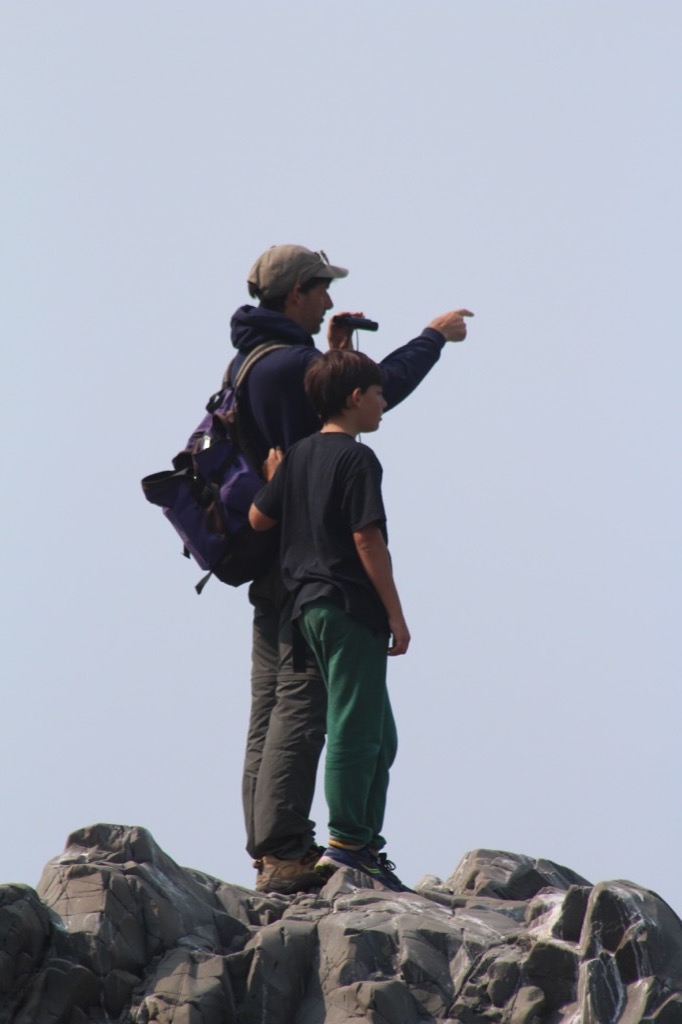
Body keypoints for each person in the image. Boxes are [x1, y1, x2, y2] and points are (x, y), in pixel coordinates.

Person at [230, 243, 472, 893]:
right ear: (295, 294)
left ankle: (273, 851)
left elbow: (262, 507)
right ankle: (318, 849)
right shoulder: (297, 372)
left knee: (270, 711)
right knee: (311, 714)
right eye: (321, 290)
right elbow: (372, 391)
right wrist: (432, 337)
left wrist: (332, 355)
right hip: (322, 582)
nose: (329, 301)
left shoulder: (249, 362)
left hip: (278, 571)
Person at [248, 349, 410, 892]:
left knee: (380, 734)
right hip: (348, 606)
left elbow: (257, 517)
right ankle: (348, 847)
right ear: (355, 397)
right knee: (355, 728)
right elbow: (367, 539)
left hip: (304, 610)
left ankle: (364, 843)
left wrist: (278, 479)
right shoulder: (358, 459)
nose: (384, 402)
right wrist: (396, 614)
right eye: (379, 393)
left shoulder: (298, 454)